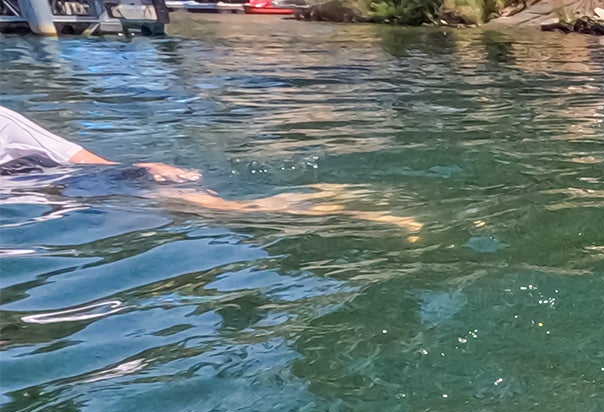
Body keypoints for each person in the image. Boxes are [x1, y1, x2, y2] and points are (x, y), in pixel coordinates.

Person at [0, 104, 420, 230]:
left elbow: (78, 158)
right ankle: (332, 200)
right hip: (63, 197)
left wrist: (139, 168)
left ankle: (352, 210)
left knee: (227, 210)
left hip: (80, 187)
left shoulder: (3, 121)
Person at [2, 104, 200, 183]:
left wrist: (140, 173)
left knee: (151, 186)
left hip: (35, 194)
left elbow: (86, 162)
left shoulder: (5, 122)